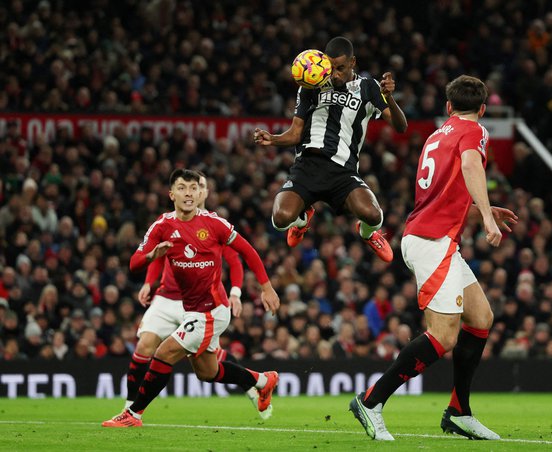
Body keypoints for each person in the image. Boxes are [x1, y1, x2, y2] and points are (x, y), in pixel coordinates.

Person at [350, 75, 517, 440]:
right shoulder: (474, 132)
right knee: (443, 336)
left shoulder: (436, 135)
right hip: (432, 241)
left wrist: (481, 209)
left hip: (432, 237)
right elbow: (473, 167)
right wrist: (487, 215)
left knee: (481, 318)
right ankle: (371, 400)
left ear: (448, 107)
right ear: (483, 109)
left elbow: (441, 196)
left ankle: (459, 412)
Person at [103, 169, 280, 427]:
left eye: (194, 188)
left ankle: (133, 414)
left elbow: (247, 251)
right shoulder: (162, 226)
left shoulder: (214, 223)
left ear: (200, 193)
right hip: (190, 309)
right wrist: (153, 256)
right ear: (171, 194)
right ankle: (262, 381)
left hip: (213, 309)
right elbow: (133, 263)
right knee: (207, 372)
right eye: (183, 188)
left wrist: (266, 287)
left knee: (164, 353)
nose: (189, 193)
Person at [254, 36, 408, 263]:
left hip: (343, 172)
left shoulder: (368, 87)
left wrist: (389, 99)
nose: (334, 74)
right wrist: (273, 139)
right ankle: (302, 220)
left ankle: (367, 234)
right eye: (330, 67)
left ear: (353, 62)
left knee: (374, 216)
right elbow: (295, 133)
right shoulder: (312, 84)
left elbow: (400, 127)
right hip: (307, 166)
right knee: (279, 220)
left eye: (341, 68)